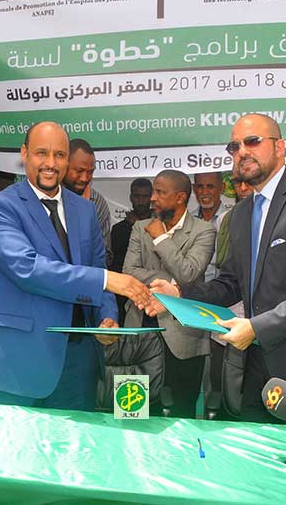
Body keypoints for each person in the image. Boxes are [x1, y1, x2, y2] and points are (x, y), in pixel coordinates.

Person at [149, 113, 286, 425]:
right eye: (234, 146)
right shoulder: (242, 213)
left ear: (280, 147)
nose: (242, 151)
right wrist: (179, 293)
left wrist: (256, 328)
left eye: (252, 141)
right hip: (257, 368)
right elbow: (231, 282)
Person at [0, 121, 151, 411]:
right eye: (41, 153)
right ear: (24, 153)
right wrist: (106, 280)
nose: (51, 163)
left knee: (75, 442)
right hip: (16, 362)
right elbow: (27, 268)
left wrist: (107, 318)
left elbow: (97, 265)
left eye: (59, 155)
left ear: (67, 159)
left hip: (78, 364)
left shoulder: (86, 210)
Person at [123, 169, 216, 418]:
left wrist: (161, 238)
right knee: (135, 412)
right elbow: (128, 271)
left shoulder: (204, 230)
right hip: (140, 327)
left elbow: (188, 273)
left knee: (182, 413)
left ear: (180, 197)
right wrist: (171, 283)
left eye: (160, 192)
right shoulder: (140, 227)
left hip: (183, 335)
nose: (153, 198)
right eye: (153, 192)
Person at [205, 176, 254, 419]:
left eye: (248, 183)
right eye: (238, 184)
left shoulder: (277, 217)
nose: (243, 189)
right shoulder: (226, 219)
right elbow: (221, 269)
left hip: (262, 320)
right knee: (221, 388)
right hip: (227, 313)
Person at [62, 138, 113, 266]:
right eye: (79, 171)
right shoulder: (48, 197)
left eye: (90, 172)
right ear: (64, 165)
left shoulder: (97, 202)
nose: (85, 178)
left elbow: (104, 255)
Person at [110, 177, 152, 321]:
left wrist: (138, 225)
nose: (141, 201)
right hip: (124, 292)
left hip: (153, 288)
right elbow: (116, 264)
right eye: (137, 196)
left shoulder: (160, 226)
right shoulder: (118, 229)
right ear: (131, 197)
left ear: (151, 198)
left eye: (145, 196)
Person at [192, 172, 228, 282]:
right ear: (194, 189)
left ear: (222, 188)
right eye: (200, 187)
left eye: (210, 186)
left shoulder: (231, 220)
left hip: (223, 288)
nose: (204, 192)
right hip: (192, 289)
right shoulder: (187, 221)